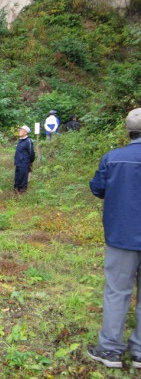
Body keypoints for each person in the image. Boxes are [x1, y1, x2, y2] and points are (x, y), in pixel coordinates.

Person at [87, 107, 141, 369]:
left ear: (128, 130)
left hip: (122, 235)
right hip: (124, 234)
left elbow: (97, 188)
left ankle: (110, 351)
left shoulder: (113, 158)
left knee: (117, 292)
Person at [14, 126, 35, 193]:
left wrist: (29, 162)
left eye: (21, 130)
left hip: (24, 163)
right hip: (18, 163)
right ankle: (16, 190)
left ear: (26, 132)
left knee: (23, 178)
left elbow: (31, 153)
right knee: (17, 177)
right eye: (19, 130)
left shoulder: (28, 141)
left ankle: (22, 191)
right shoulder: (20, 140)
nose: (19, 131)